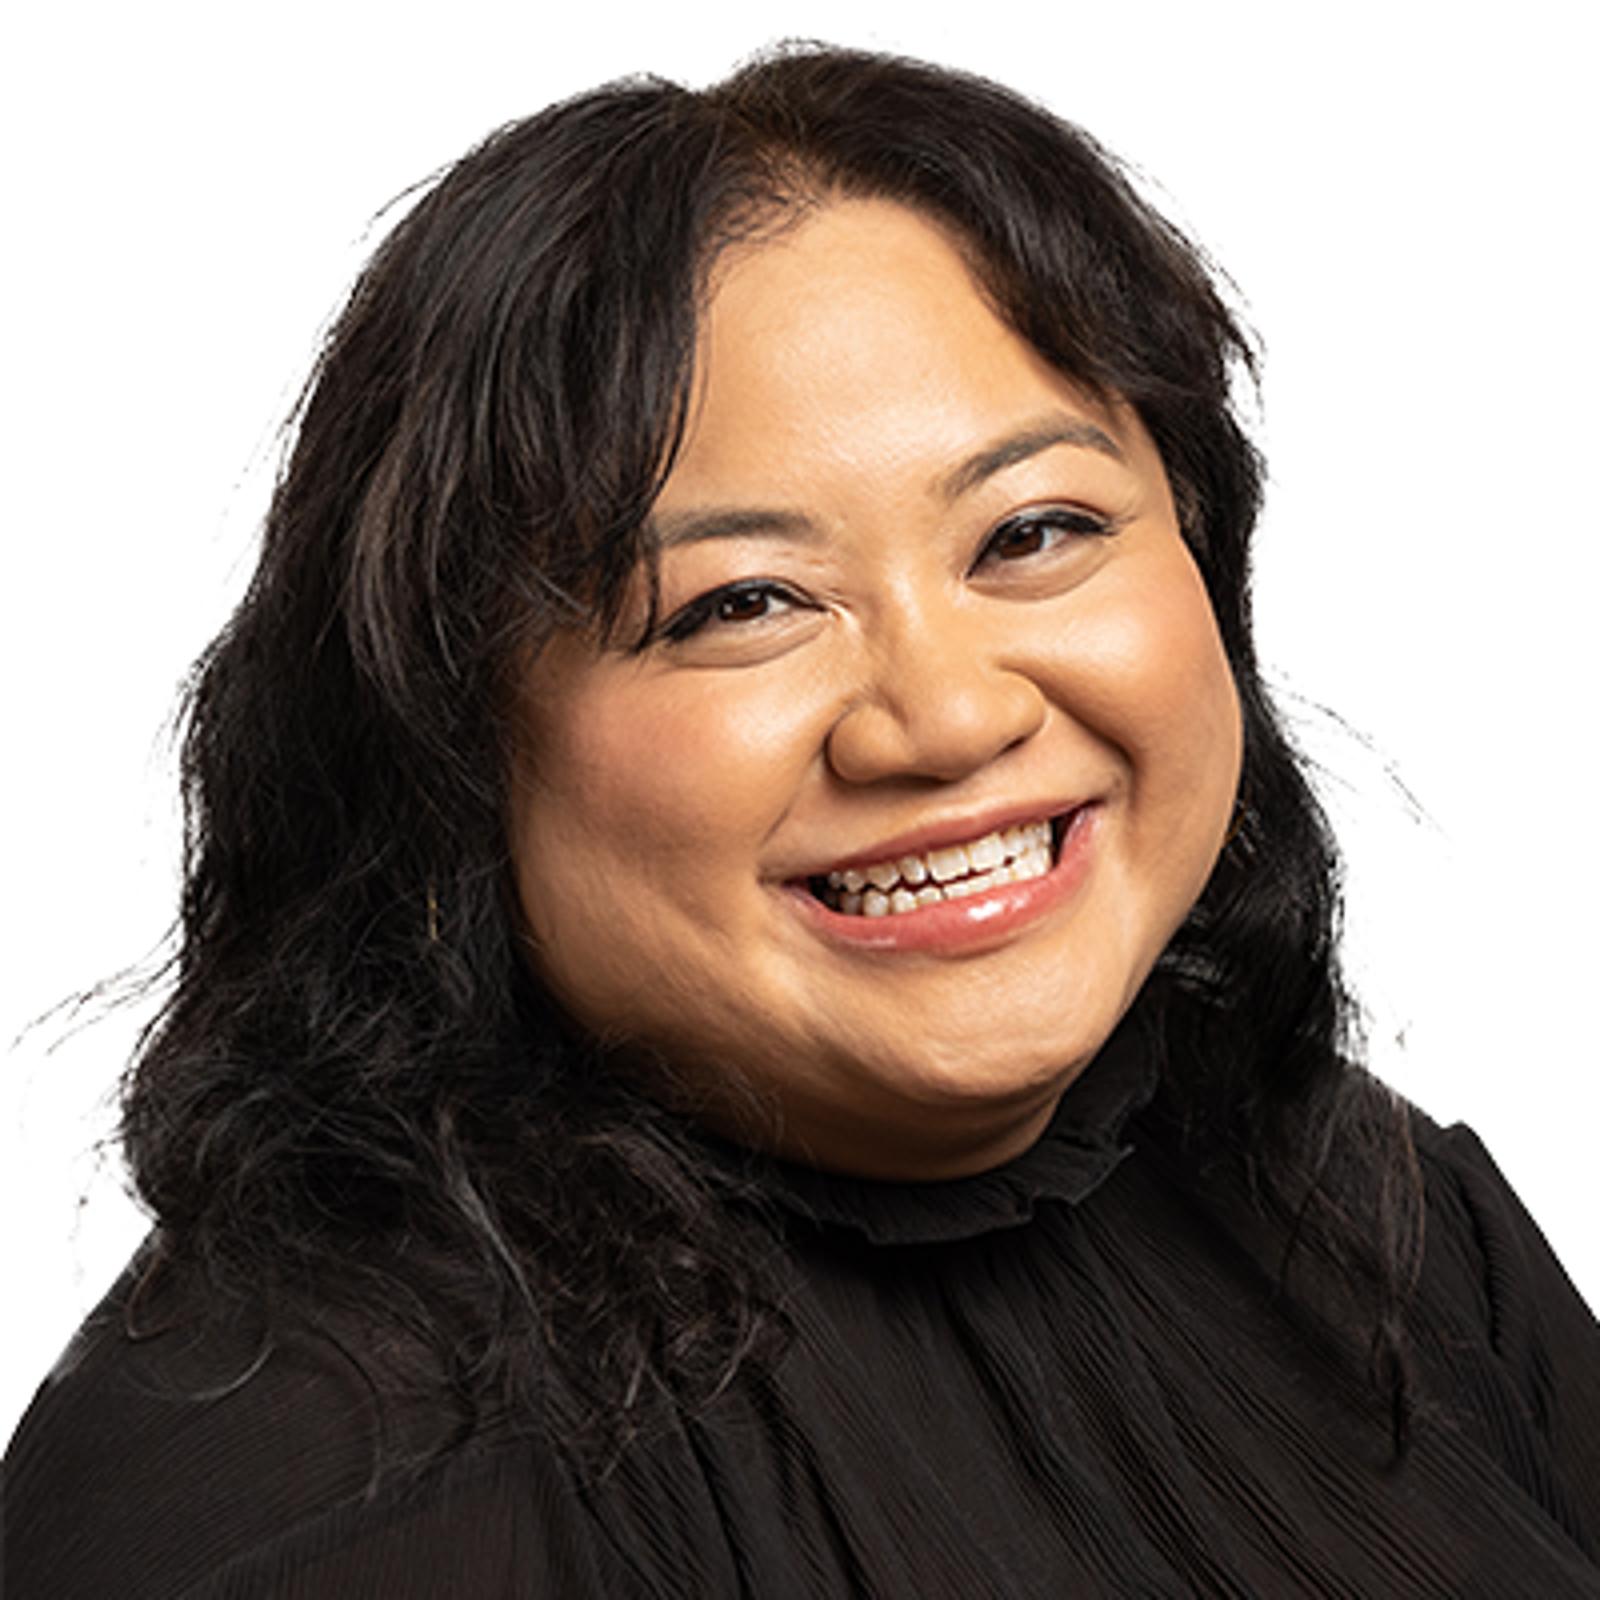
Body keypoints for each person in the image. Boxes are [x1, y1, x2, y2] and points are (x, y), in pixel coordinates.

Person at [6, 44, 1598, 1598]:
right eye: (742, 603)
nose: (950, 716)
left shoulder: (1373, 1213)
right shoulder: (317, 1496)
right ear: (446, 749)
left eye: (1033, 531)